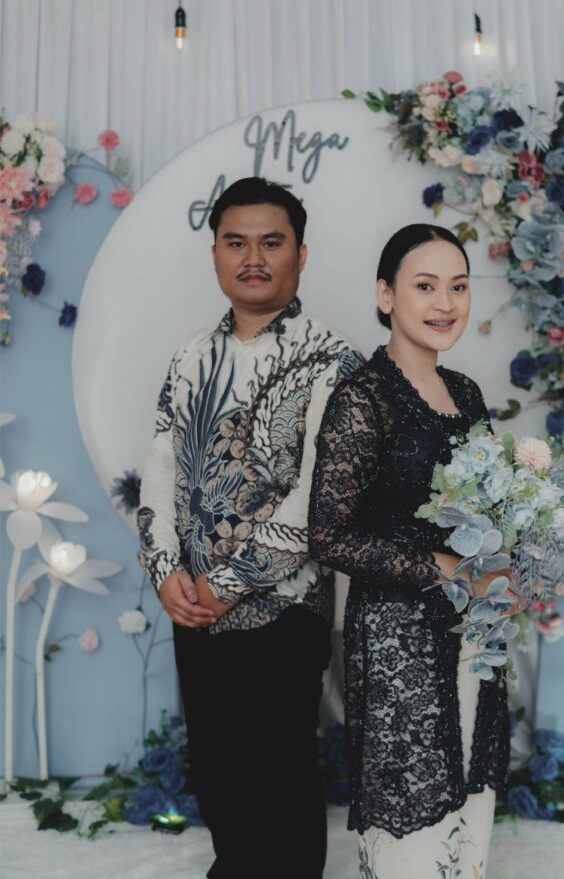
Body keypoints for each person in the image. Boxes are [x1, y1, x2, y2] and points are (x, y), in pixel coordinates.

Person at [137, 176, 361, 879]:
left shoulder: (333, 360)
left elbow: (320, 499)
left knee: (277, 770)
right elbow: (161, 464)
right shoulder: (191, 354)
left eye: (271, 242)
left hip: (282, 607)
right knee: (217, 768)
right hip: (194, 605)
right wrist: (165, 571)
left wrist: (229, 583)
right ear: (215, 253)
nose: (253, 258)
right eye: (236, 243)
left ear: (301, 254)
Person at [308, 223, 510, 877]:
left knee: (470, 822)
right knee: (411, 831)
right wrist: (436, 567)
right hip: (399, 643)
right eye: (425, 286)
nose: (445, 303)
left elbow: (489, 507)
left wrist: (504, 560)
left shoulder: (467, 393)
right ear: (385, 295)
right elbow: (327, 533)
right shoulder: (363, 399)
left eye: (458, 286)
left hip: (475, 632)